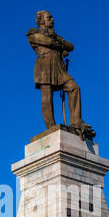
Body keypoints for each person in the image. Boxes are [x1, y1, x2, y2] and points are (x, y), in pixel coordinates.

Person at [27, 10, 95, 140]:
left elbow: (70, 46)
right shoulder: (33, 33)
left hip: (59, 67)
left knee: (74, 87)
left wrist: (59, 41)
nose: (53, 19)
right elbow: (47, 42)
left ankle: (76, 121)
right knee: (47, 98)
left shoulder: (56, 36)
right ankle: (50, 127)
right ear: (41, 20)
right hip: (44, 67)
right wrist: (59, 44)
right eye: (49, 17)